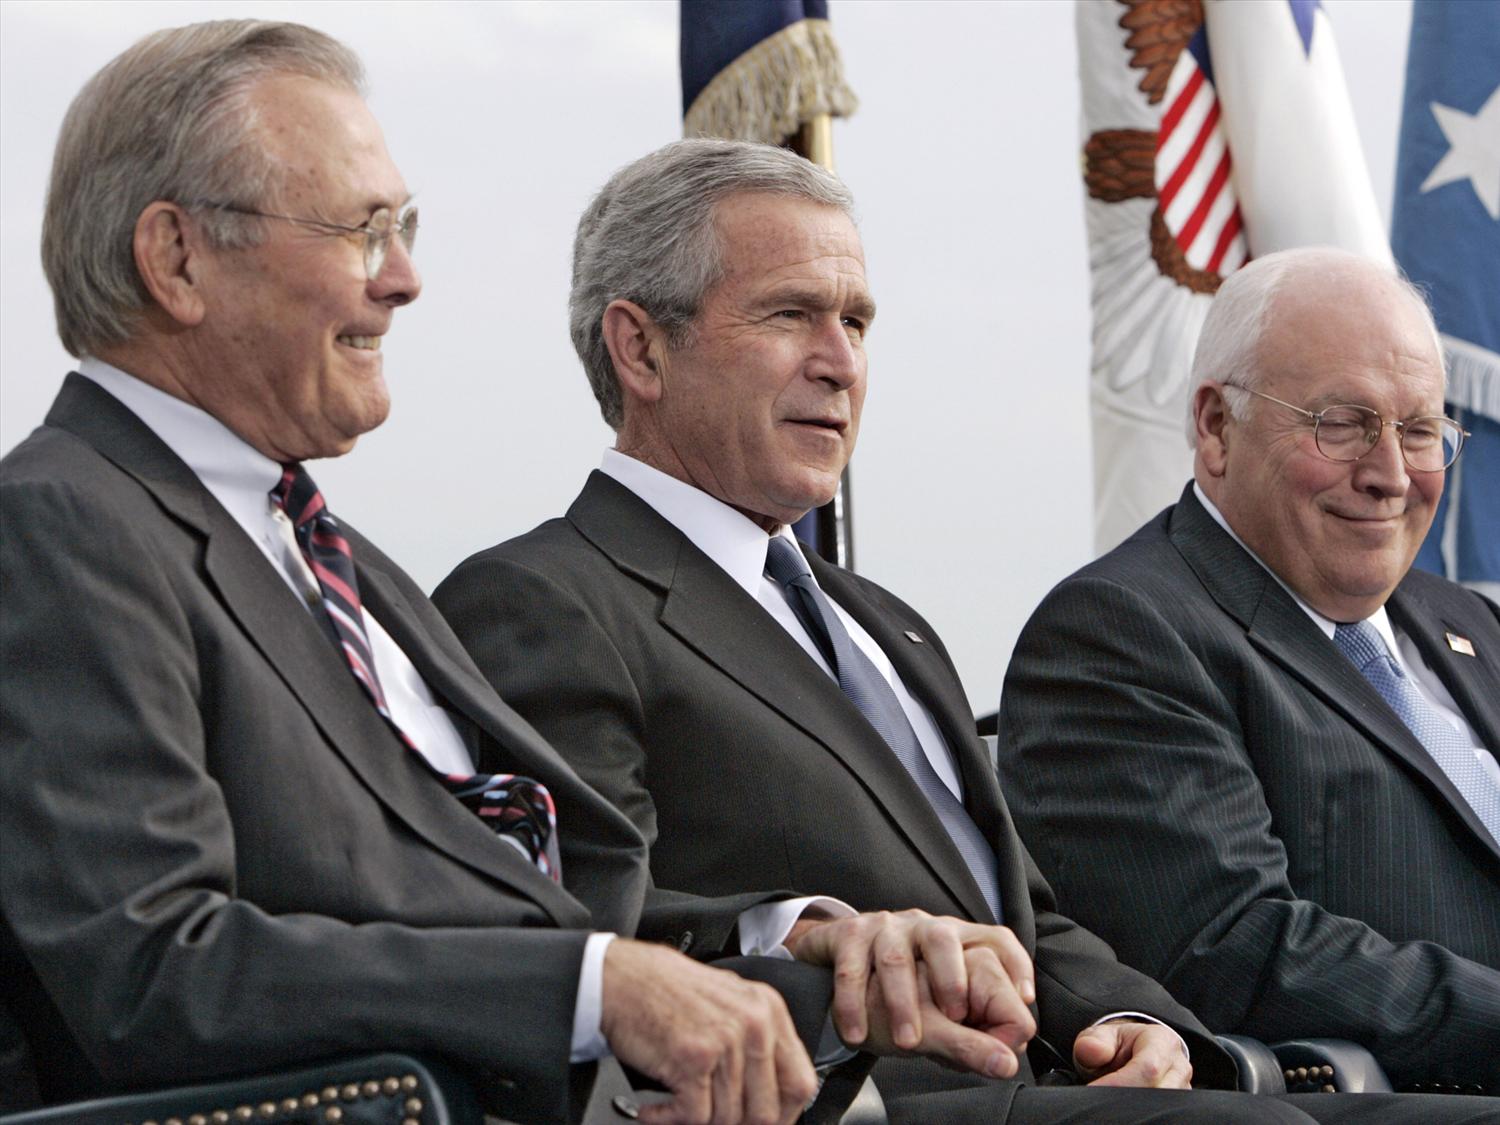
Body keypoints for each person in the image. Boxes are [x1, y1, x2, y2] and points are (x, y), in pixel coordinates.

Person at [0, 23, 1037, 1123]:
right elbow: (152, 967)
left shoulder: (346, 569)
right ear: (176, 260)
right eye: (361, 231)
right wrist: (592, 991)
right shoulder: (64, 526)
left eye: (404, 230)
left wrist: (819, 950)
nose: (403, 279)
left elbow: (550, 898)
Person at [432, 142, 1487, 1123]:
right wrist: (793, 929)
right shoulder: (545, 598)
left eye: (858, 323)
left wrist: (1133, 1018)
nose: (840, 363)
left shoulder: (883, 623)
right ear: (640, 347)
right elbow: (570, 928)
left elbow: (1025, 914)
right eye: (792, 315)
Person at [996, 247, 1500, 1095]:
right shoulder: (1122, 634)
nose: (1389, 474)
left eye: (1420, 430)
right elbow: (1232, 948)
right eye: (1343, 423)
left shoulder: (1468, 622)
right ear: (1216, 427)